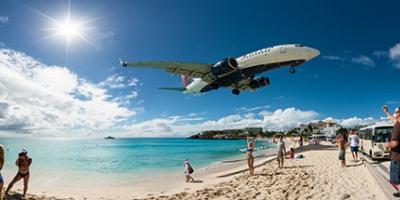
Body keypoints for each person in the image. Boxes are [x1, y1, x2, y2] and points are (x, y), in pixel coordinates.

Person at [382, 106, 400, 197]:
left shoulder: (397, 127)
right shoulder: (398, 123)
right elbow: (393, 119)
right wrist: (386, 112)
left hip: (397, 157)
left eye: (397, 112)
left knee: (394, 180)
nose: (395, 114)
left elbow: (395, 143)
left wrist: (387, 145)